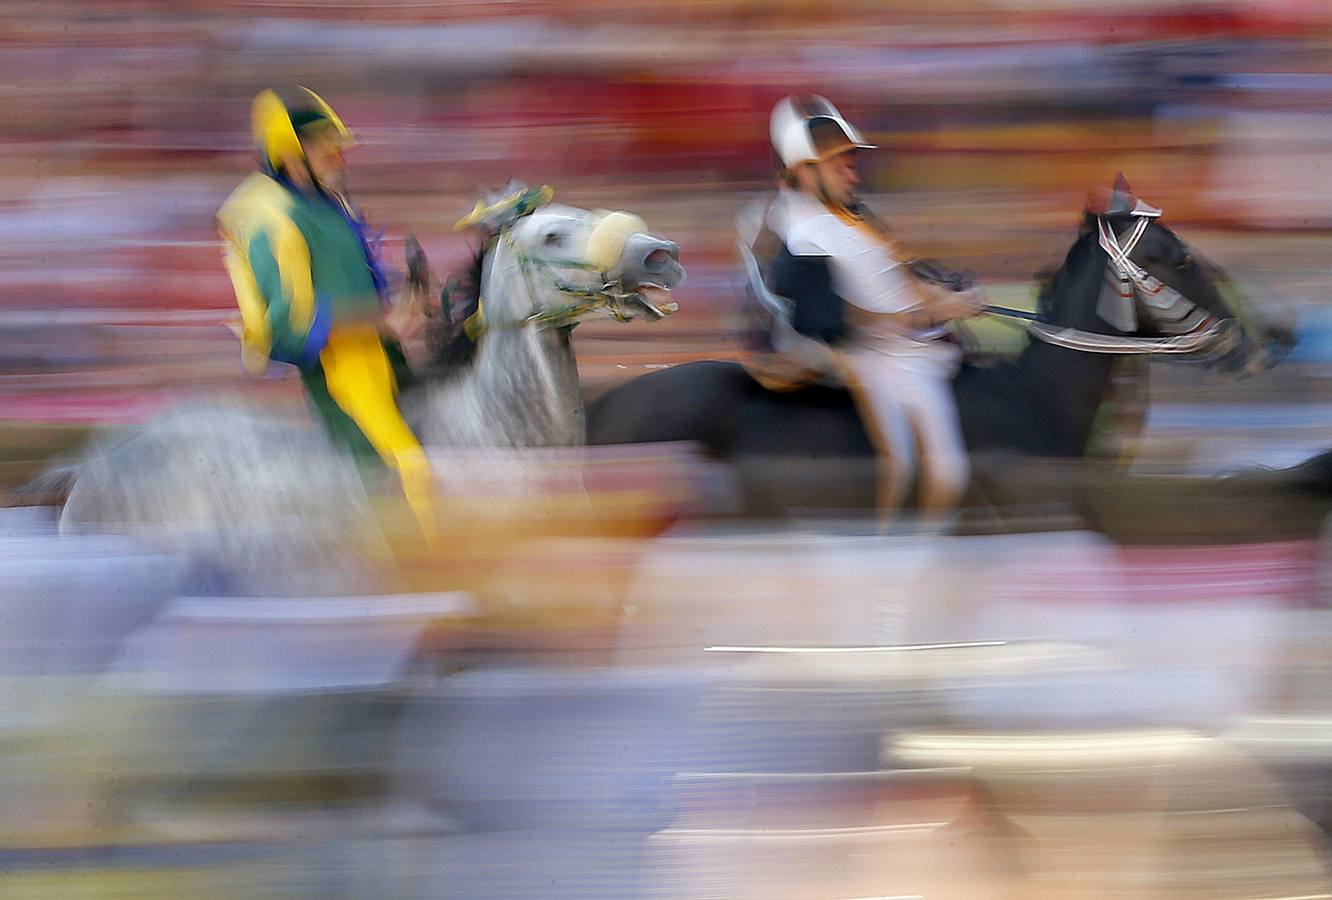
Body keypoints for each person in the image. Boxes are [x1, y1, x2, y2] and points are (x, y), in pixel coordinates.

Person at [216, 86, 434, 530]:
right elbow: (287, 329)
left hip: (386, 362)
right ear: (294, 158)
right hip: (342, 379)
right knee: (409, 474)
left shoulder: (328, 204)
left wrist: (405, 311)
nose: (341, 159)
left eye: (340, 150)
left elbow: (362, 295)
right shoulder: (271, 219)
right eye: (328, 151)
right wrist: (379, 318)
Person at [762, 95, 984, 516]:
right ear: (807, 174)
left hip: (911, 350)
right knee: (939, 470)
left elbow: (902, 277)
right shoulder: (803, 236)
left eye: (851, 161)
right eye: (839, 164)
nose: (852, 171)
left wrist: (952, 299)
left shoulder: (854, 215)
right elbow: (832, 318)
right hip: (876, 360)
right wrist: (932, 312)